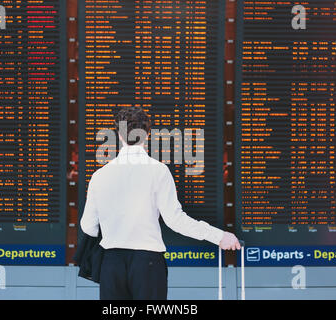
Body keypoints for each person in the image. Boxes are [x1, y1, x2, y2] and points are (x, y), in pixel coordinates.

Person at [80, 106, 241, 300]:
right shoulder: (158, 171)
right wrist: (218, 236)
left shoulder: (99, 176)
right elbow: (175, 220)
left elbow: (88, 226)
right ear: (147, 135)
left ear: (119, 135)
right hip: (147, 264)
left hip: (111, 264)